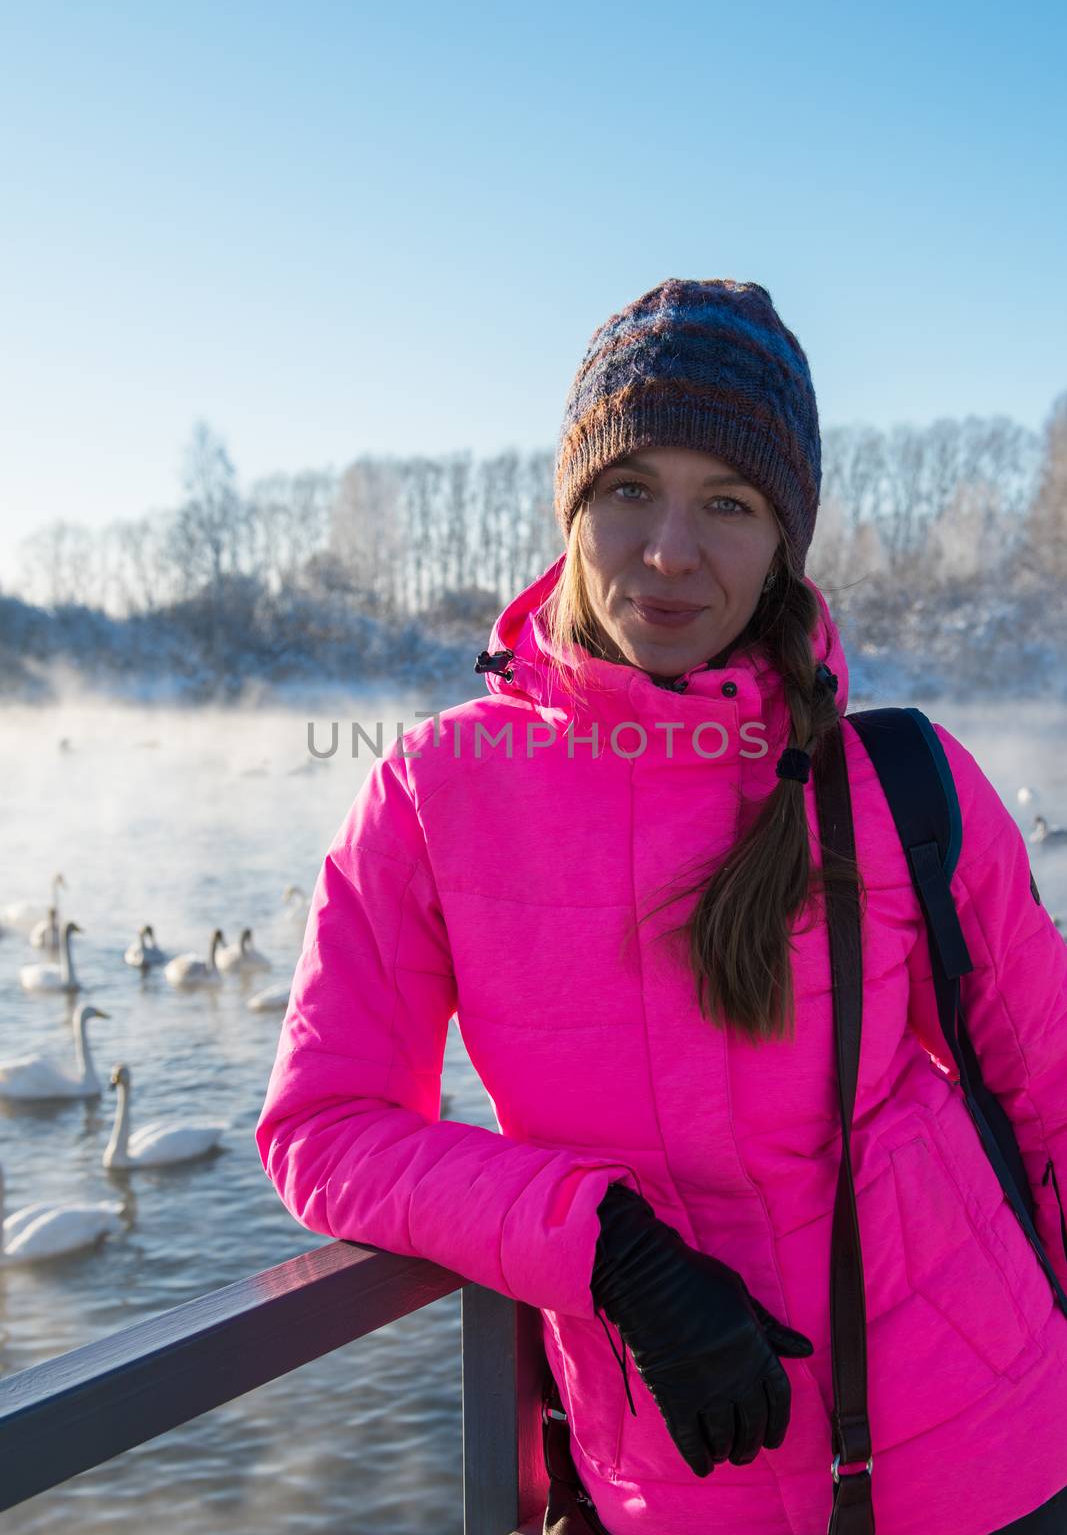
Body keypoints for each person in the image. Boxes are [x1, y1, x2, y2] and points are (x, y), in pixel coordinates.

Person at [255, 278, 1067, 1535]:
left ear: (782, 539)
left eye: (727, 503)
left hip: (994, 1452)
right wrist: (604, 1247)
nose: (669, 551)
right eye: (630, 486)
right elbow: (326, 1125)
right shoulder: (432, 794)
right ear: (572, 508)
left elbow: (1049, 1091)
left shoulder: (895, 784)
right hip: (676, 1486)